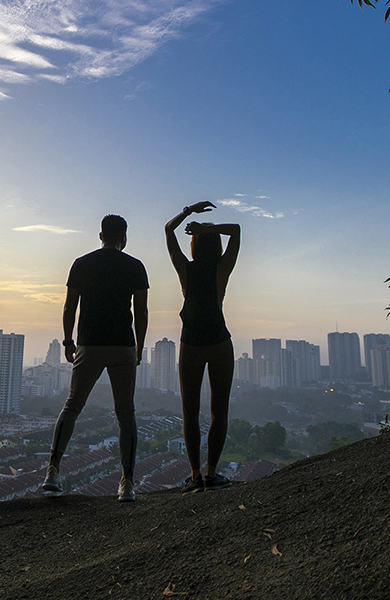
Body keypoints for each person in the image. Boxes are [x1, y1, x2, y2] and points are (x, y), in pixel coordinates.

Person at [42, 214, 149, 502]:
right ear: (123, 237)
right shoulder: (135, 266)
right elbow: (141, 312)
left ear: (100, 235)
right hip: (122, 346)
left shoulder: (81, 264)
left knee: (72, 406)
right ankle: (127, 483)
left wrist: (67, 340)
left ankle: (53, 470)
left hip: (89, 344)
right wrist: (139, 348)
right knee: (125, 414)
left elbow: (69, 307)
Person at [165, 201, 241, 492]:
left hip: (192, 343)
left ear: (194, 245)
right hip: (220, 342)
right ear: (216, 246)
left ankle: (196, 475)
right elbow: (235, 230)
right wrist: (208, 228)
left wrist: (189, 212)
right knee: (218, 411)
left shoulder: (185, 268)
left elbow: (168, 230)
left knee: (190, 412)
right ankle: (210, 473)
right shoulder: (223, 267)